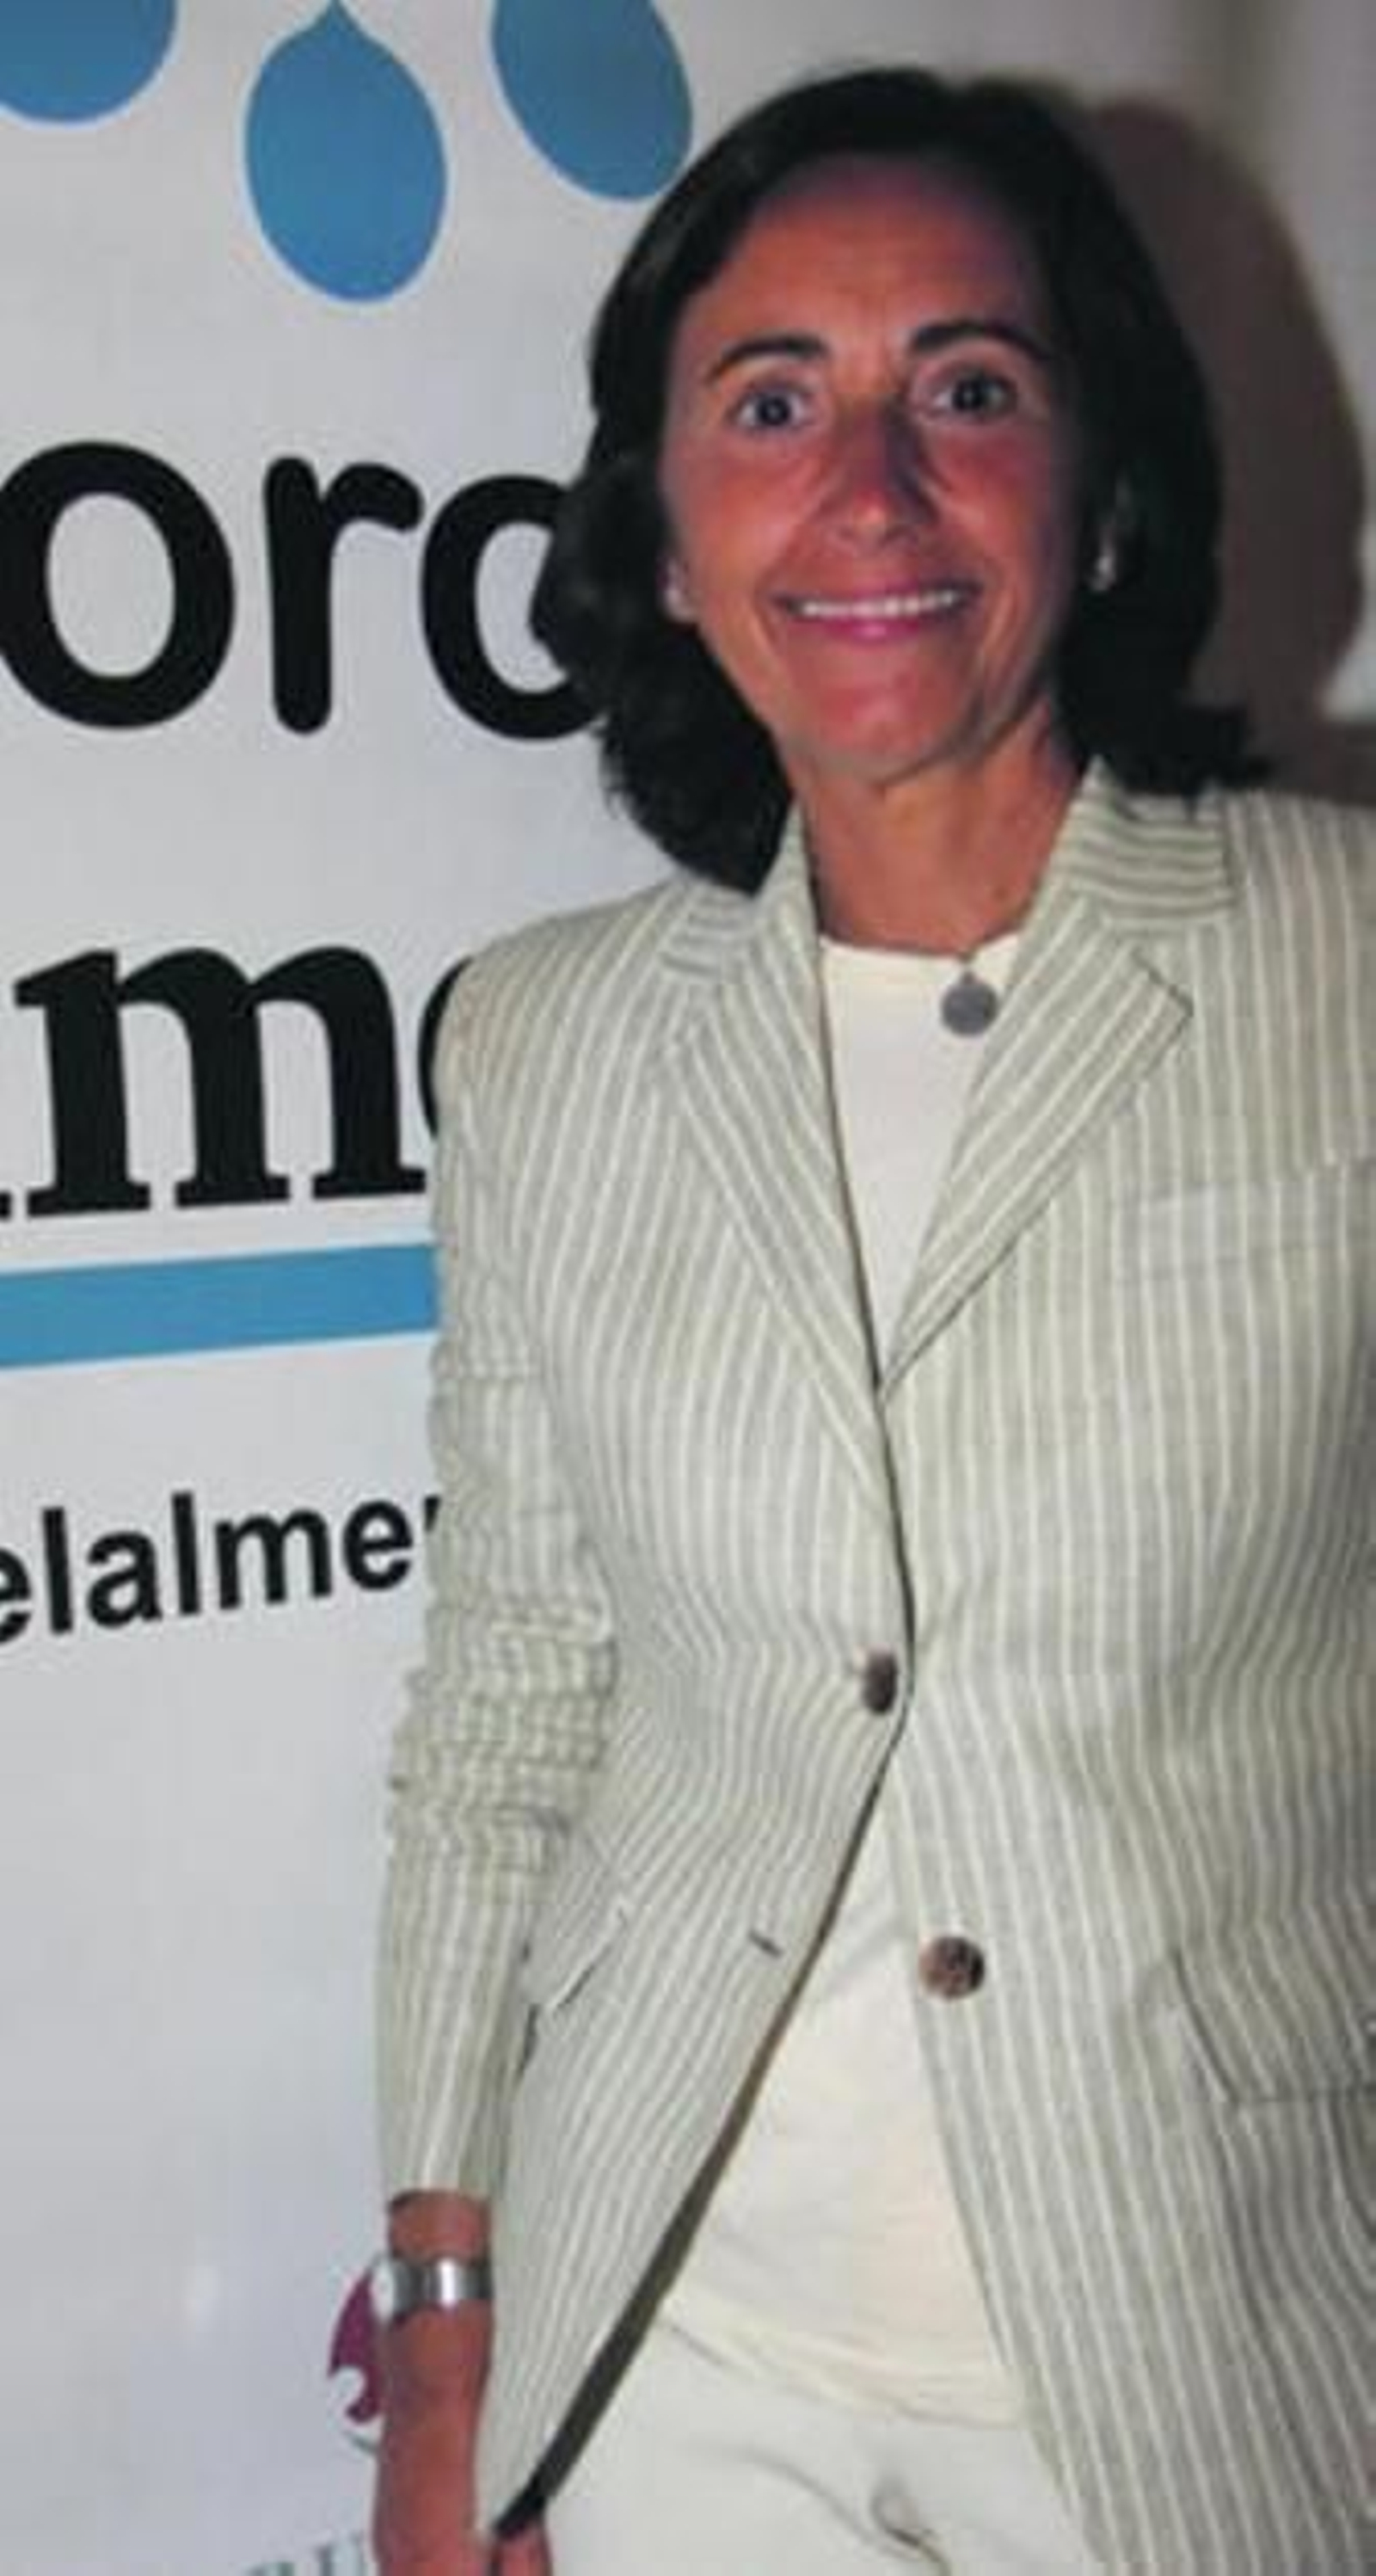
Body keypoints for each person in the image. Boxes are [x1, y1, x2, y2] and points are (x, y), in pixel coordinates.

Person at [371, 65, 1373, 2576]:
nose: (873, 487)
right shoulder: (540, 1044)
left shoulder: (1346, 967)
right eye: (771, 404)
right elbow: (508, 1705)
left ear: (1102, 487)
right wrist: (456, 2332)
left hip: (1214, 2351)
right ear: (665, 531)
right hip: (683, 2366)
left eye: (971, 385)